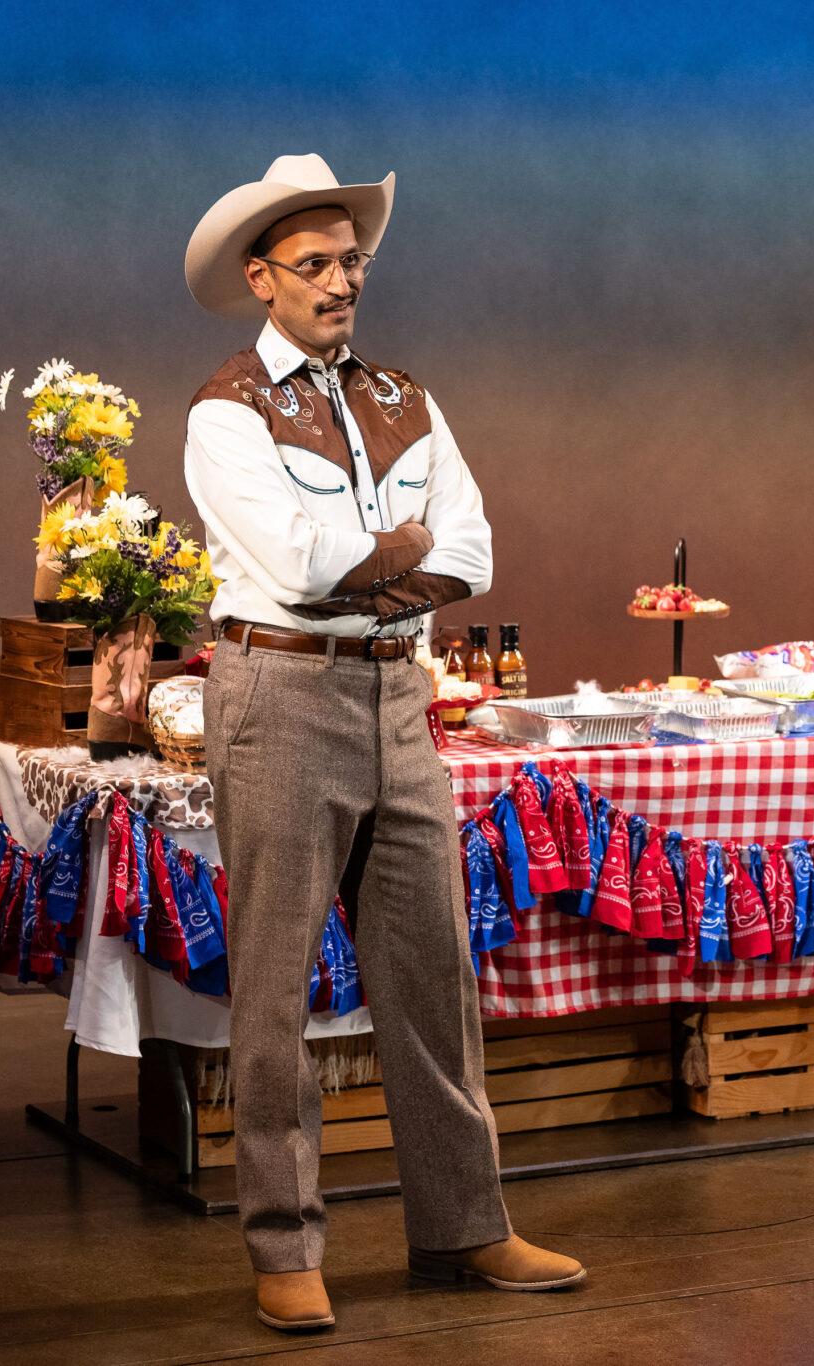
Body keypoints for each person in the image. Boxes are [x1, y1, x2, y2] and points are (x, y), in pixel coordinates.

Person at [182, 153, 584, 1333]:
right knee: (272, 986)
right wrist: (398, 554)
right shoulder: (225, 410)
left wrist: (385, 557)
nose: (340, 281)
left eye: (351, 261)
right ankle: (283, 1242)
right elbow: (298, 574)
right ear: (261, 279)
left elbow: (474, 549)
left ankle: (465, 1227)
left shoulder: (408, 393)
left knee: (431, 974)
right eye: (313, 265)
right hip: (281, 695)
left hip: (392, 696)